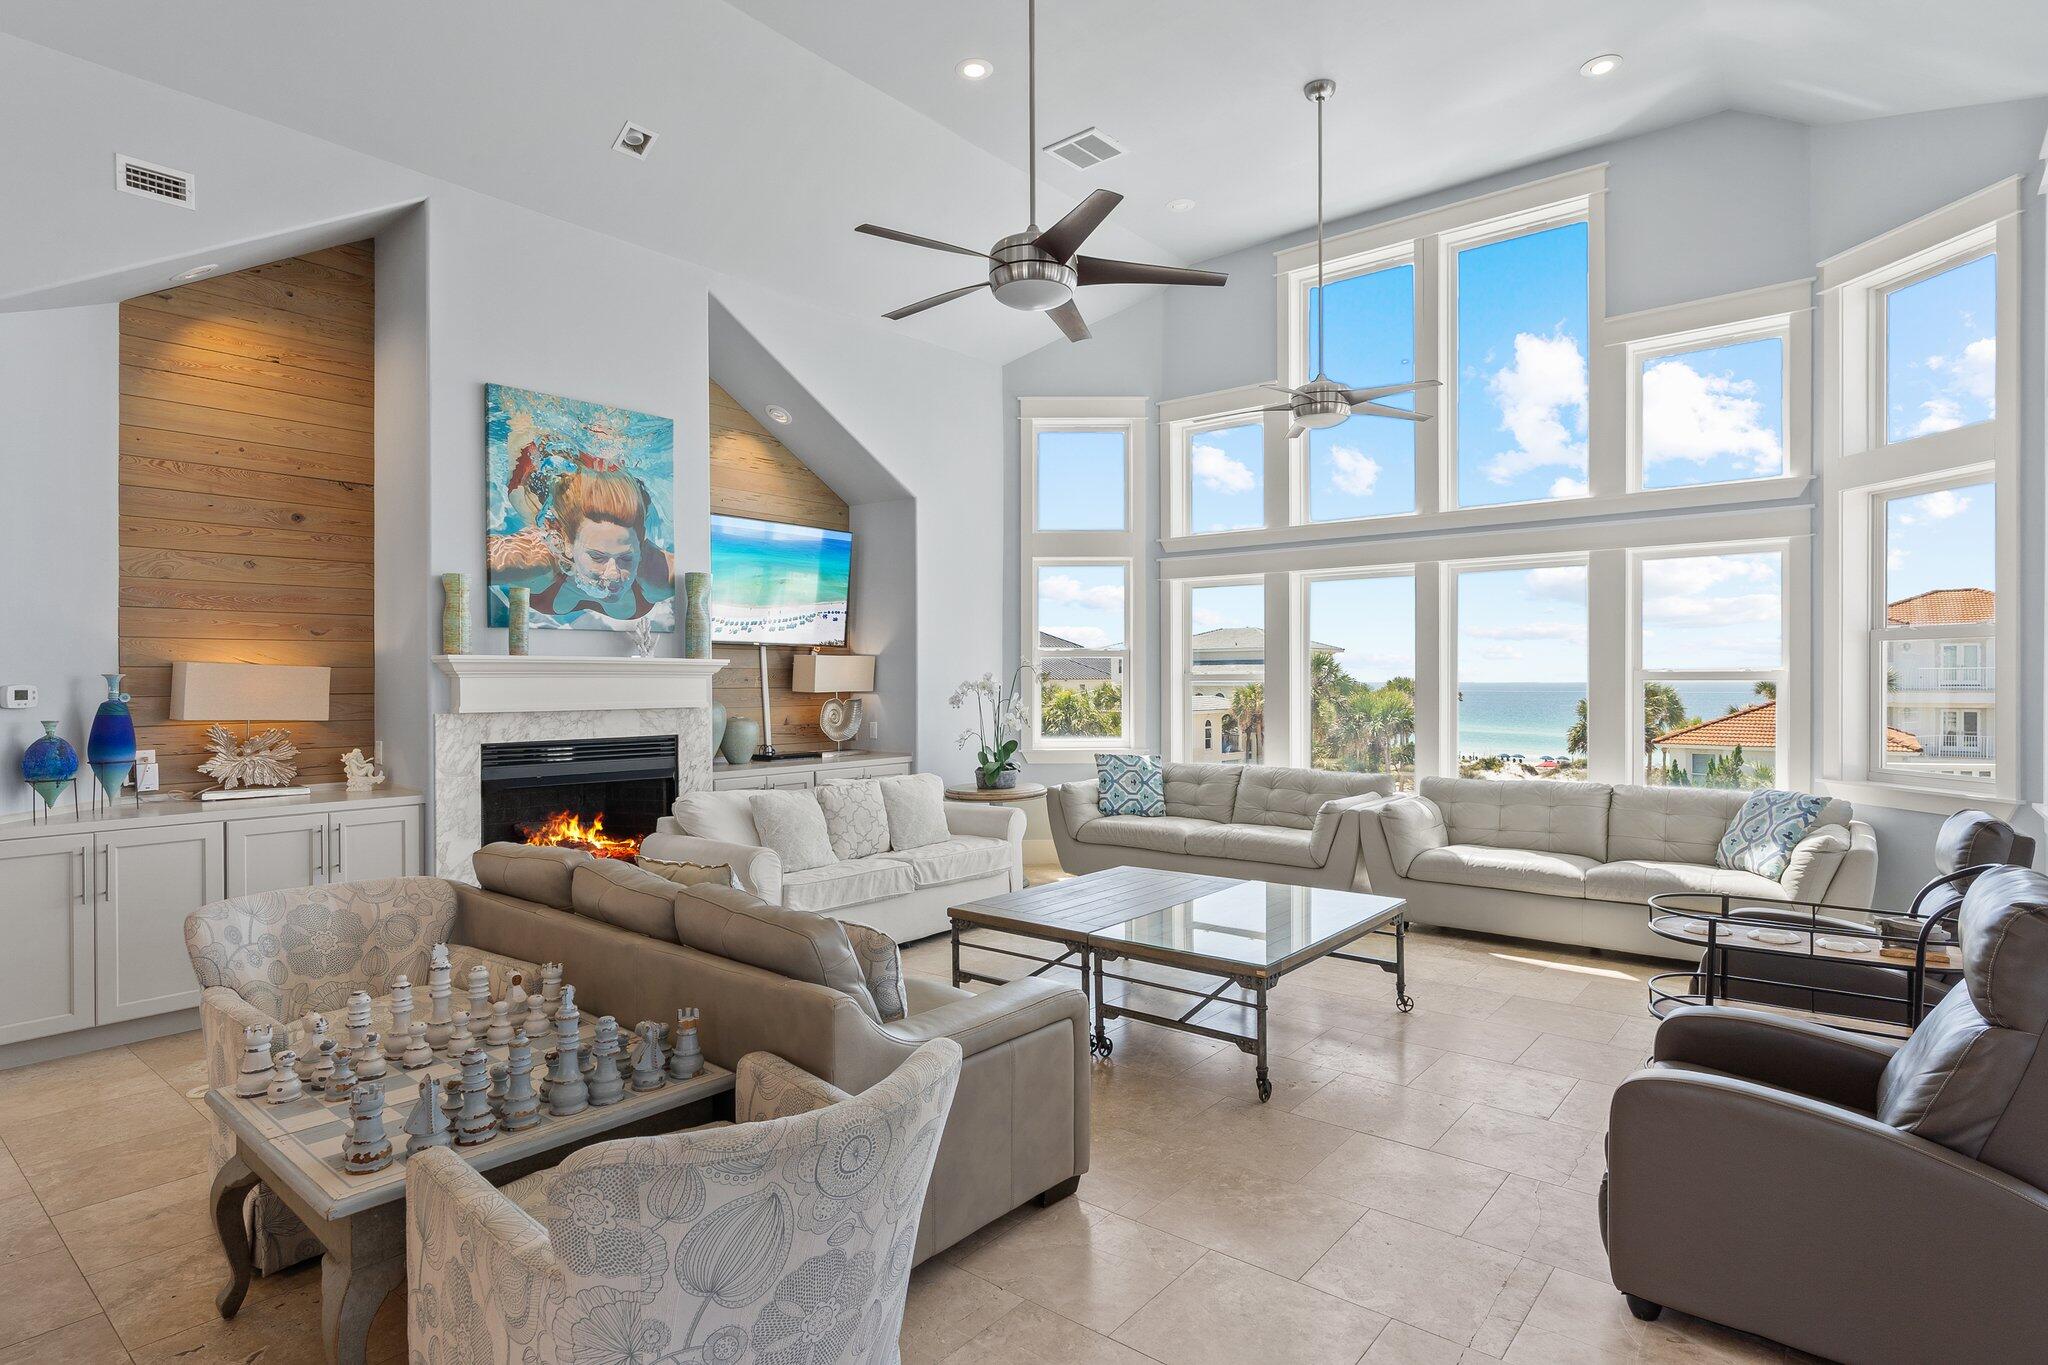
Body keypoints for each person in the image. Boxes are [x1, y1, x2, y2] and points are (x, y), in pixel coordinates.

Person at [488, 456, 674, 624]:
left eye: (626, 558)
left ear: (640, 547)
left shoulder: (657, 575)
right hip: (534, 488)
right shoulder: (533, 559)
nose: (613, 575)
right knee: (520, 493)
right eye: (597, 556)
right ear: (566, 544)